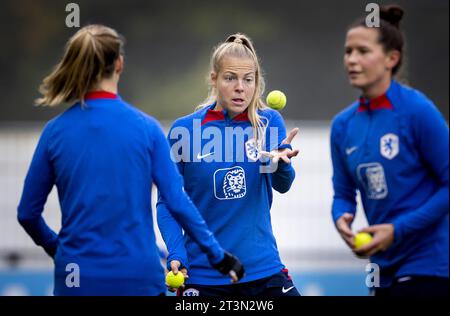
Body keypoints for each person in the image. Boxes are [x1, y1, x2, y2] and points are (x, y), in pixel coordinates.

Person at [17, 24, 244, 296]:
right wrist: (218, 256)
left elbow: (27, 214)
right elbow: (177, 201)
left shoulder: (54, 133)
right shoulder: (146, 129)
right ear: (120, 64)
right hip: (137, 278)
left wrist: (60, 250)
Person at [157, 33, 301, 296]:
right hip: (203, 278)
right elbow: (167, 202)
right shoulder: (184, 130)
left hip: (263, 273)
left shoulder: (269, 122)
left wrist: (282, 164)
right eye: (230, 78)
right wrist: (176, 253)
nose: (240, 88)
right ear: (214, 79)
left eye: (248, 80)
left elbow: (283, 185)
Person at [331, 5, 449, 296]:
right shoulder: (342, 126)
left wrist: (397, 230)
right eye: (348, 51)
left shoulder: (416, 110)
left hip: (430, 263)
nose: (352, 60)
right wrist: (341, 218)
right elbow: (344, 194)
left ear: (391, 59)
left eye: (363, 51)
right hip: (381, 268)